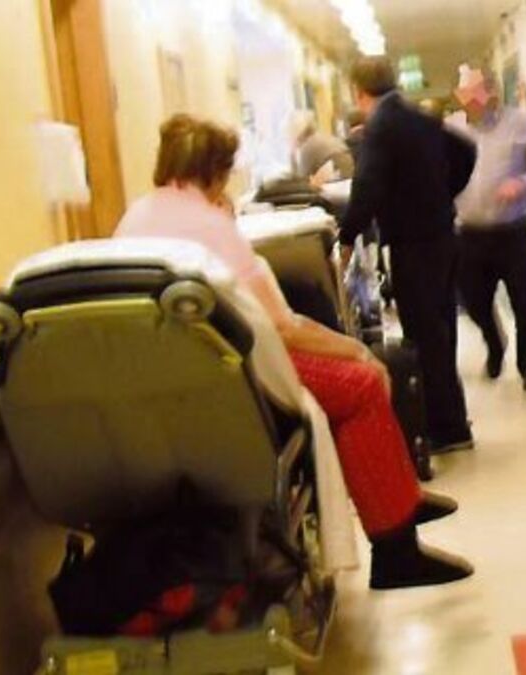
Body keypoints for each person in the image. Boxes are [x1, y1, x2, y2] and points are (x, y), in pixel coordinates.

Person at [115, 114, 473, 590]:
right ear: (216, 171)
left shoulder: (136, 217)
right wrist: (354, 350)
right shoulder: (210, 224)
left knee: (353, 372)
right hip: (234, 377)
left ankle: (399, 498)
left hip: (171, 378)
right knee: (362, 383)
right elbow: (284, 328)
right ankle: (396, 550)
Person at [340, 57, 478, 453]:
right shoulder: (420, 116)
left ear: (359, 93)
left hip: (413, 244)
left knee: (424, 335)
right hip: (442, 235)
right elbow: (465, 151)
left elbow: (366, 186)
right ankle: (453, 420)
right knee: (442, 332)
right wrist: (444, 193)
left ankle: (446, 429)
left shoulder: (380, 126)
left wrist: (347, 236)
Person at [453, 64, 526, 390]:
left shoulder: (521, 124)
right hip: (470, 233)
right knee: (473, 301)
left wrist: (523, 183)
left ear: (491, 92)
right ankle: (494, 341)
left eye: (471, 91)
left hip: (514, 231)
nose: (465, 98)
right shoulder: (452, 129)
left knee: (525, 302)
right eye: (461, 91)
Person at [289, 111, 355, 187]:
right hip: (349, 178)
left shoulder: (307, 147)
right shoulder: (323, 137)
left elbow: (302, 181)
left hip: (335, 183)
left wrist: (292, 154)